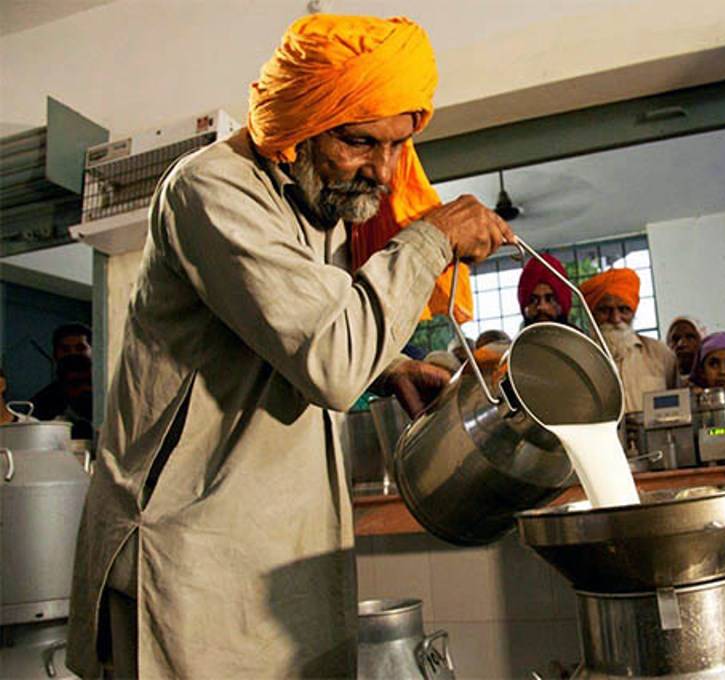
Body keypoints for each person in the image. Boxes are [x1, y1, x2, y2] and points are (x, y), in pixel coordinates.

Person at [67, 15, 515, 679]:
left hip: (275, 555)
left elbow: (283, 333)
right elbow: (330, 362)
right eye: (361, 142)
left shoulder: (320, 206)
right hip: (189, 569)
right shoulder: (211, 190)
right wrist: (430, 239)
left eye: (398, 145)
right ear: (300, 126)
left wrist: (387, 369)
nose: (385, 173)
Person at [580, 268, 677, 413]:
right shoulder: (579, 357)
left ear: (633, 312)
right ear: (592, 314)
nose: (615, 318)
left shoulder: (660, 354)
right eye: (605, 310)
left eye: (623, 309)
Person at [30, 323, 93, 421]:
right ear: (55, 354)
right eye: (65, 349)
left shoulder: (106, 392)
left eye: (80, 348)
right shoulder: (43, 401)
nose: (73, 353)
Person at [518, 253, 573, 327]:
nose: (542, 307)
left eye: (550, 299)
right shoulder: (520, 338)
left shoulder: (580, 338)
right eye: (533, 300)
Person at [665, 315, 706, 385]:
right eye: (675, 339)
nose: (681, 344)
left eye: (690, 337)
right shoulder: (661, 381)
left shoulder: (714, 380)